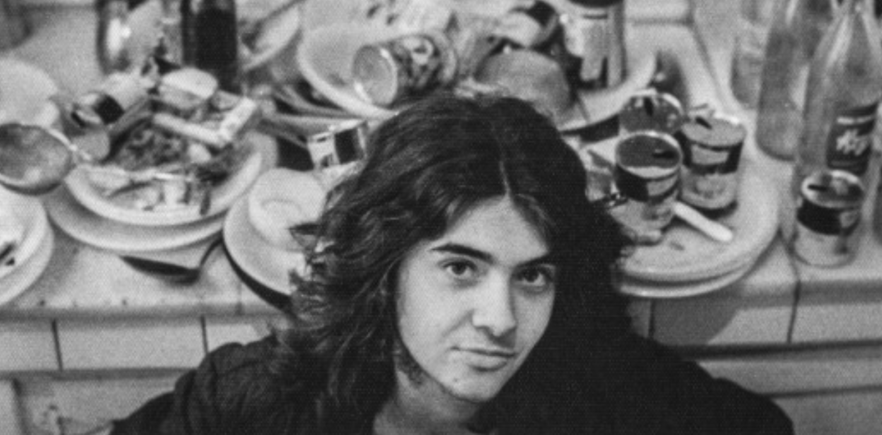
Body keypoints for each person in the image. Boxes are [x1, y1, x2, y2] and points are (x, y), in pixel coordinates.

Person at [112, 94, 793, 434]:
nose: (501, 320)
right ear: (386, 269)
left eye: (532, 275)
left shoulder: (596, 387)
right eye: (461, 268)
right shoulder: (261, 403)